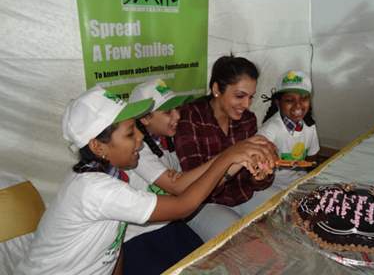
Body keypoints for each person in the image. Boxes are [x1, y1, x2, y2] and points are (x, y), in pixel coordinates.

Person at [14, 86, 276, 275]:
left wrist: (234, 161)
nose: (139, 140)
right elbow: (183, 202)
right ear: (97, 146)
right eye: (130, 134)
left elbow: (112, 247)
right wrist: (229, 156)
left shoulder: (108, 177)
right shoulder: (95, 189)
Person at [174, 55, 279, 241]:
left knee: (284, 215)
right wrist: (234, 156)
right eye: (240, 96)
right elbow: (196, 188)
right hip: (205, 204)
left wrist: (261, 175)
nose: (247, 105)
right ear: (216, 89)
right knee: (242, 242)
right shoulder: (190, 117)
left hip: (242, 194)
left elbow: (255, 179)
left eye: (251, 97)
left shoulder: (247, 119)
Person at [258, 70, 320, 189]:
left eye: (304, 98)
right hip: (272, 187)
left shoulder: (310, 126)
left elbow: (312, 158)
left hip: (299, 181)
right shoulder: (269, 131)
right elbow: (261, 171)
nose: (298, 105)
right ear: (278, 102)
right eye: (290, 100)